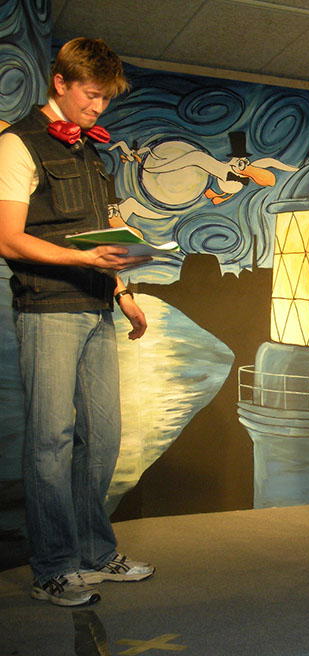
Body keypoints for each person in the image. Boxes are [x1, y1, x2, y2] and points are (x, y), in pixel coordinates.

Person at [0, 38, 155, 606]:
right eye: (91, 95)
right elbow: (7, 239)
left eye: (106, 99)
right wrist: (83, 260)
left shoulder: (92, 151)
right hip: (47, 309)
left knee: (103, 438)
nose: (98, 107)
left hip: (96, 307)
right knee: (50, 442)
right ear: (60, 83)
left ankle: (93, 551)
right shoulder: (17, 144)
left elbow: (100, 239)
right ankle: (53, 568)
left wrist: (123, 290)